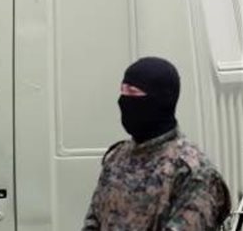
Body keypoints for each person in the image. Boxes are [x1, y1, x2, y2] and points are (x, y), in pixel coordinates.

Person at [82, 56, 232, 230]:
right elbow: (93, 220)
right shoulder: (117, 158)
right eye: (123, 91)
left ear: (159, 100)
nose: (123, 99)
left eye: (133, 92)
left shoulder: (193, 173)